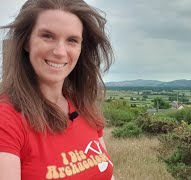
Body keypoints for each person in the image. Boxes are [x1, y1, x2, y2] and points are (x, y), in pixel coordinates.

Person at [0, 0, 115, 179]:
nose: (60, 52)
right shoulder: (7, 119)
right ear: (26, 42)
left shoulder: (83, 106)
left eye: (72, 40)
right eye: (47, 36)